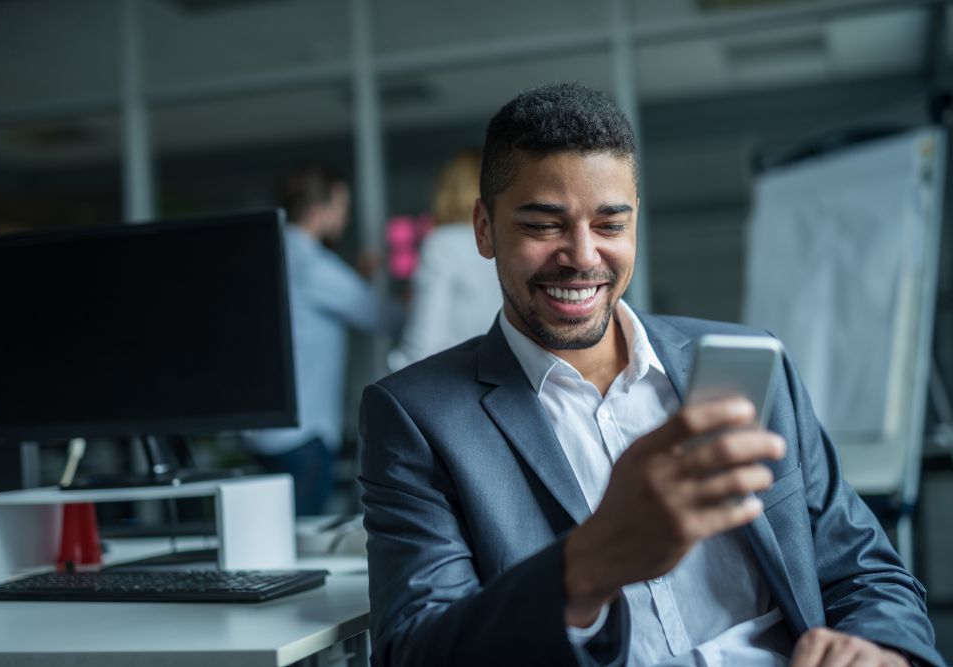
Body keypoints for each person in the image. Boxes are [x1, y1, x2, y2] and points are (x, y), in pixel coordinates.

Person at [358, 83, 943, 666]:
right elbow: (415, 650)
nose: (583, 256)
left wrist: (881, 649)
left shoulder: (754, 361)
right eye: (543, 226)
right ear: (484, 228)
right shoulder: (415, 416)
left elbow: (865, 570)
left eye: (610, 224)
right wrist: (588, 566)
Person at [245, 166, 401, 516]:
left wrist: (355, 279)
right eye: (341, 208)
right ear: (318, 212)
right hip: (303, 437)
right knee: (302, 547)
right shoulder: (314, 266)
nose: (344, 218)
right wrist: (417, 294)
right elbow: (382, 317)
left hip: (263, 433)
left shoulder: (268, 254)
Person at [388, 148, 502, 370]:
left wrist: (396, 366)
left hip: (455, 384)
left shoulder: (443, 243)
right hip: (507, 381)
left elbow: (422, 343)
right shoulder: (507, 239)